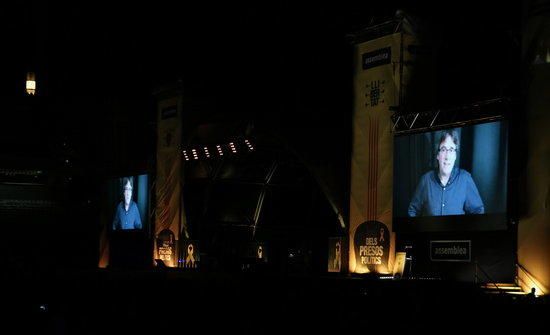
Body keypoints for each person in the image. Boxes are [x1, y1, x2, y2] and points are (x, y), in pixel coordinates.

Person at [408, 129, 484, 217]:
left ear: (455, 156)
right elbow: (412, 210)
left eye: (451, 150)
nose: (447, 156)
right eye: (443, 149)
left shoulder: (465, 179)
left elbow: (478, 211)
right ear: (437, 155)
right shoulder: (426, 180)